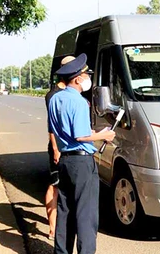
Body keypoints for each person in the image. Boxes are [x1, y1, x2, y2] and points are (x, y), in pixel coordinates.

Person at [48, 53, 115, 253]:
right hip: (82, 164)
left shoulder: (54, 99)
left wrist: (94, 133)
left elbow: (62, 131)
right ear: (77, 79)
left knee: (65, 212)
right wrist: (105, 136)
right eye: (86, 75)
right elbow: (79, 136)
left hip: (65, 161)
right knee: (86, 216)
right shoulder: (78, 101)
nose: (88, 78)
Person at [44, 55, 75, 240]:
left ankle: (66, 224)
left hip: (73, 148)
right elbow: (52, 127)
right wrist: (55, 149)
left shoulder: (74, 92)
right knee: (54, 185)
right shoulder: (53, 95)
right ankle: (52, 228)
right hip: (59, 147)